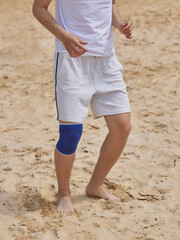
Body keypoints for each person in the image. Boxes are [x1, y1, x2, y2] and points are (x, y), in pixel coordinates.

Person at [32, 0, 133, 215]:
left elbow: (110, 5)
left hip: (107, 60)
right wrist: (63, 36)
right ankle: (64, 194)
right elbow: (38, 8)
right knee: (70, 134)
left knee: (122, 128)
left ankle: (95, 185)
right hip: (71, 60)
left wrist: (119, 23)